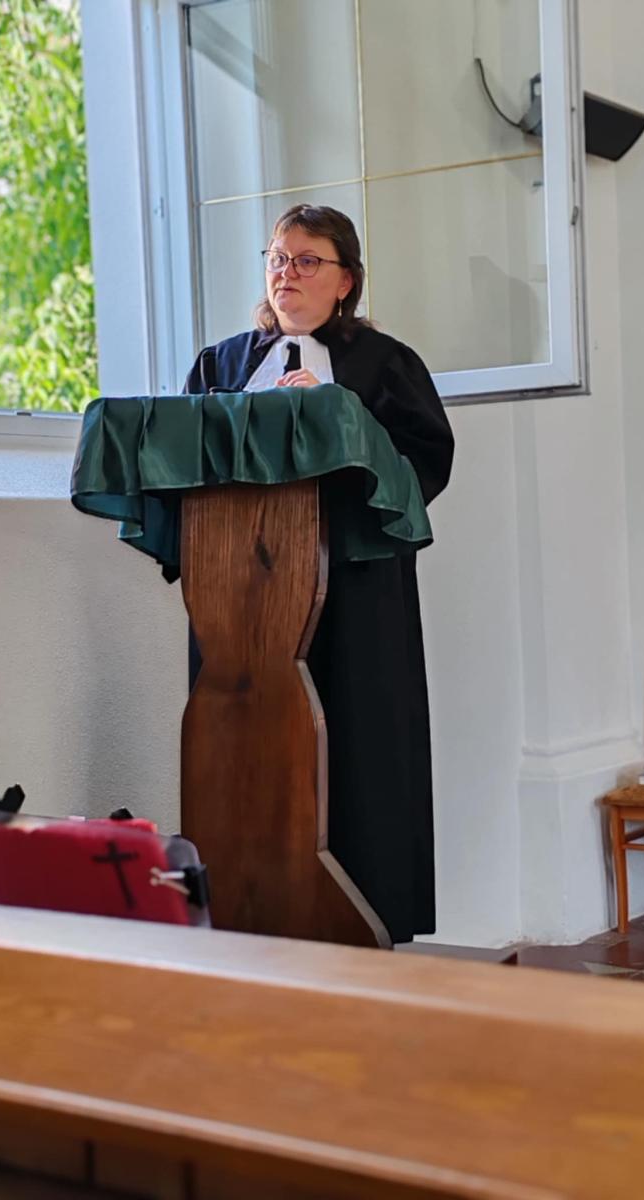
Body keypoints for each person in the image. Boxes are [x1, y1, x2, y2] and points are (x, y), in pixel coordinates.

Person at [184, 204, 454, 944]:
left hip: (354, 591)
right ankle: (244, 905)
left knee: (355, 742)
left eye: (308, 261)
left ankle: (365, 916)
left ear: (346, 281)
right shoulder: (221, 365)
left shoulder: (386, 365)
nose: (287, 273)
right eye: (278, 258)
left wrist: (337, 416)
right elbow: (183, 457)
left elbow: (422, 465)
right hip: (240, 592)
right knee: (246, 743)